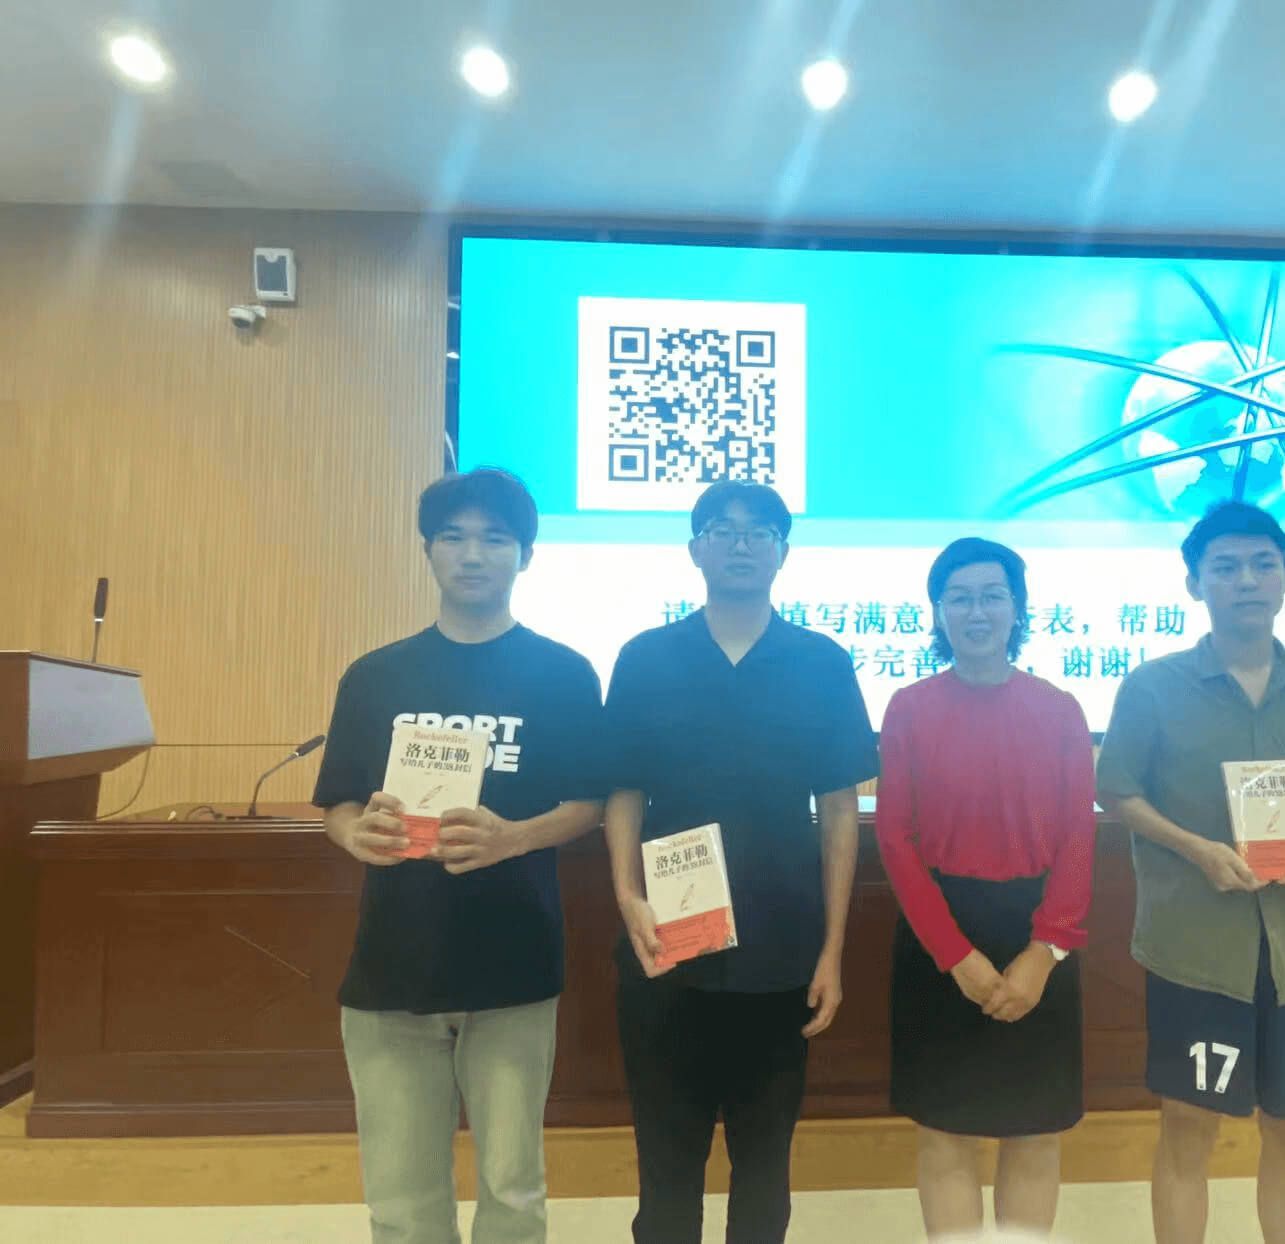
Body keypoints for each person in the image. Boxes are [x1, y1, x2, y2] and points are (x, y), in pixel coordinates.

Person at [313, 467, 607, 1244]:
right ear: (428, 551)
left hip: (513, 964)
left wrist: (515, 836)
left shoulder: (564, 673)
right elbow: (339, 803)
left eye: (495, 539)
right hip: (393, 966)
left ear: (526, 555)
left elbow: (590, 803)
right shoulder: (375, 676)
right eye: (454, 537)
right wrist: (357, 834)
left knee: (512, 1189)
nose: (473, 555)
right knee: (401, 1198)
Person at [603, 479, 879, 1244]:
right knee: (666, 1169)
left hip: (781, 952)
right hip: (665, 948)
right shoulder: (646, 657)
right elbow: (623, 788)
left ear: (782, 551)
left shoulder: (821, 662)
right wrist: (626, 894)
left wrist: (831, 951)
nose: (740, 544)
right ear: (695, 549)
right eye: (722, 530)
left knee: (764, 1168)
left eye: (759, 532)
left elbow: (840, 811)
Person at [1096, 500, 1285, 1244]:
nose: (1247, 580)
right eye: (1226, 567)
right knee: (1189, 1128)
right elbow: (1116, 790)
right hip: (1197, 948)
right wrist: (1197, 849)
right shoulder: (1152, 686)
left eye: (1263, 564)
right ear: (1194, 583)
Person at [876, 537, 1097, 1240]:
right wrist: (956, 957)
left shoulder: (1059, 709)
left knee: (1034, 1134)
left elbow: (1077, 838)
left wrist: (1044, 953)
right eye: (960, 598)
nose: (977, 612)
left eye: (993, 596)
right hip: (940, 933)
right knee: (945, 1135)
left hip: (1039, 937)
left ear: (1018, 609)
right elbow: (895, 840)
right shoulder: (909, 708)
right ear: (938, 612)